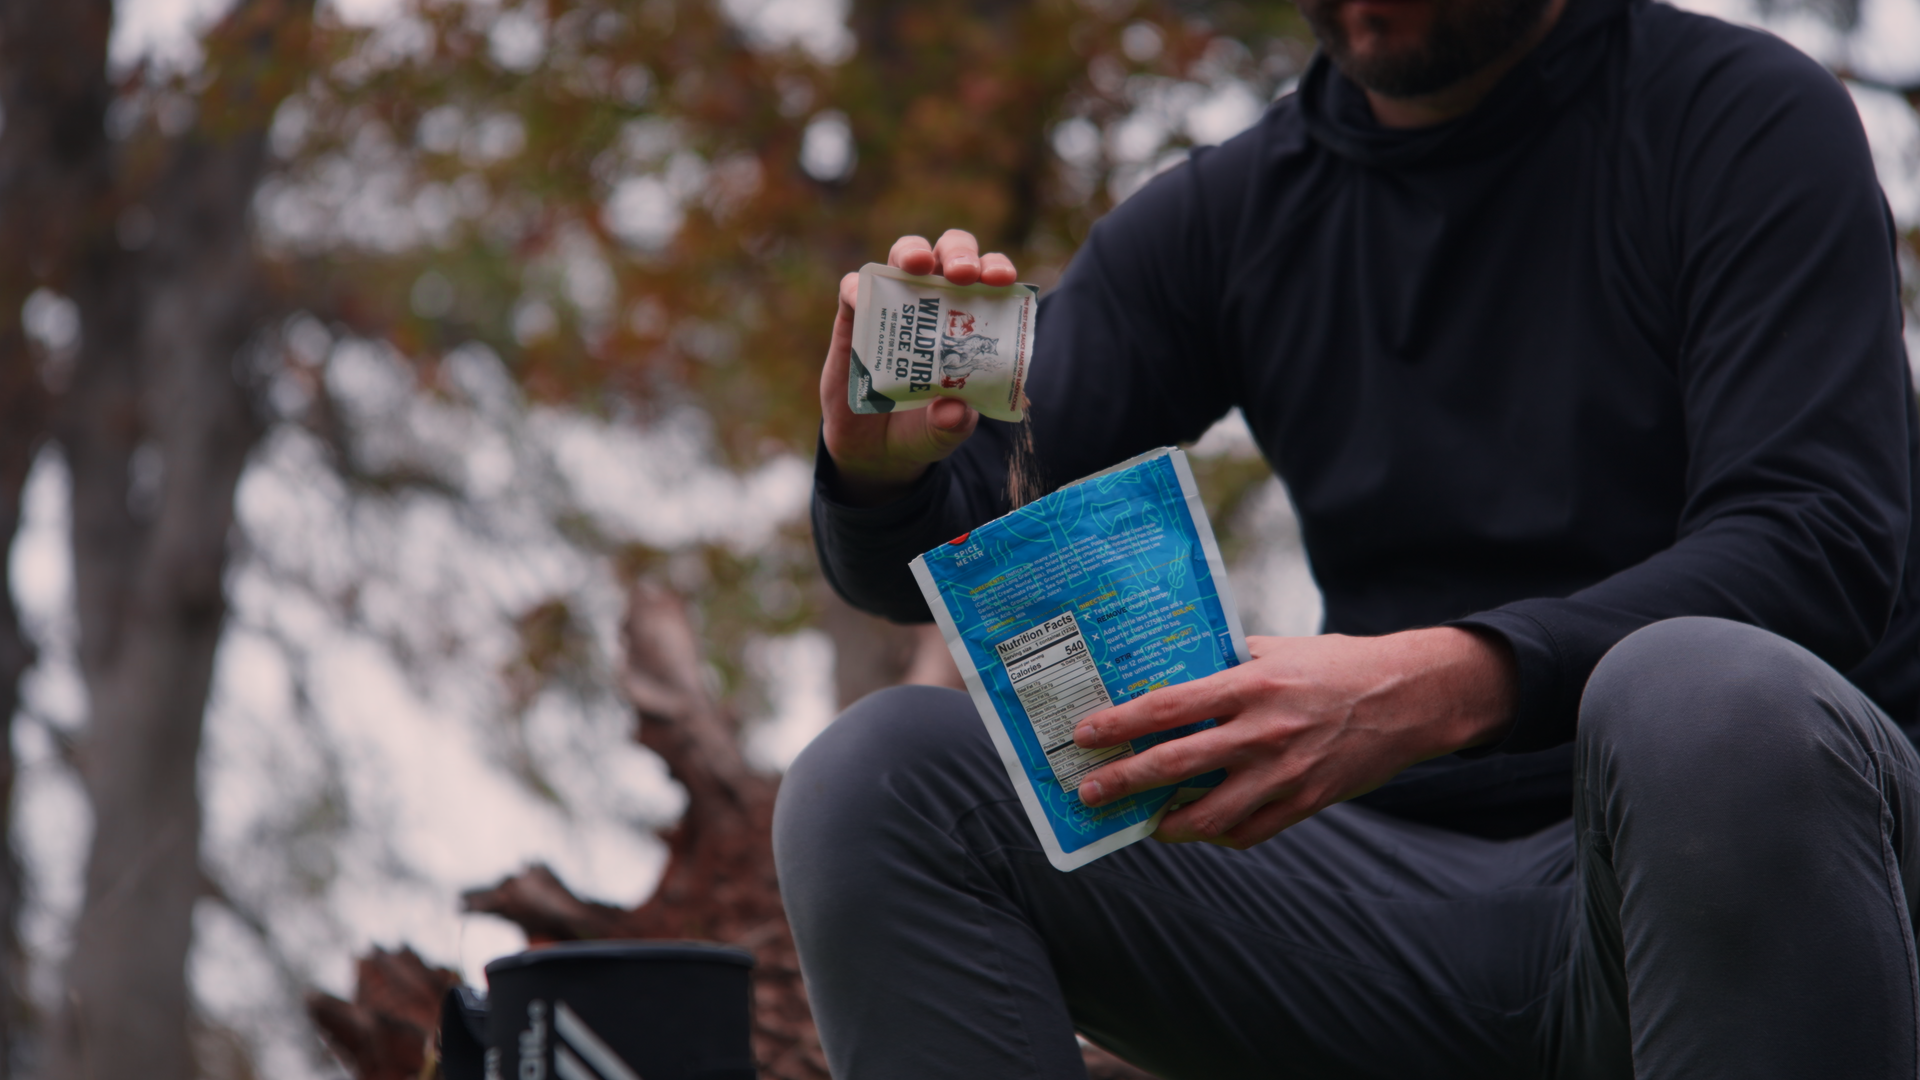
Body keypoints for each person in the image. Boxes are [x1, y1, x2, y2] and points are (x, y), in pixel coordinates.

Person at [772, 0, 1920, 1071]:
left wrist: (1437, 685)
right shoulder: (1236, 211)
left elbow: (1812, 543)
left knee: (1703, 696)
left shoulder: (1747, 120)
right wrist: (883, 475)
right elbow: (946, 526)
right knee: (879, 781)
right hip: (1392, 918)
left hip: (1753, 871)